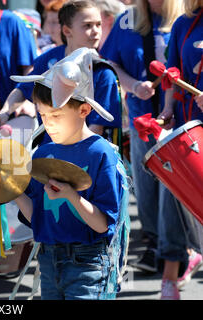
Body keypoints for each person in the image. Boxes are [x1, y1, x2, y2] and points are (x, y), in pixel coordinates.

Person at [11, 47, 129, 300]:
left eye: (56, 115)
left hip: (88, 263)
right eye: (43, 115)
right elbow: (37, 219)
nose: (48, 122)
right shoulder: (43, 152)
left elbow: (102, 224)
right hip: (48, 259)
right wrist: (13, 189)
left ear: (84, 110)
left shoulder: (101, 153)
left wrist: (72, 196)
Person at [100, 0, 184, 281]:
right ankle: (153, 244)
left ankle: (176, 252)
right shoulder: (127, 20)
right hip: (142, 119)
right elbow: (109, 61)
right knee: (147, 187)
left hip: (180, 121)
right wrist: (133, 85)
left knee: (174, 190)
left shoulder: (185, 18)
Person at [0, 0, 122, 149]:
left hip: (86, 158)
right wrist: (4, 113)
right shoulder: (48, 60)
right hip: (49, 152)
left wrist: (67, 155)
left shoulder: (103, 72)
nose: (96, 31)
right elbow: (23, 89)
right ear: (67, 31)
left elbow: (97, 128)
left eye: (98, 24)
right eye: (87, 25)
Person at [156, 0, 203, 299]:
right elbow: (172, 73)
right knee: (171, 201)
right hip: (188, 130)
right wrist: (167, 110)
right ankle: (169, 278)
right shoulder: (183, 23)